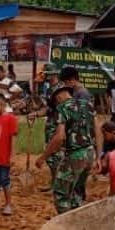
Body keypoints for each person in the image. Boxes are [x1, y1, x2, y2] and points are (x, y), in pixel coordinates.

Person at [35, 84, 95, 214]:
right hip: (90, 153)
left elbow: (59, 137)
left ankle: (66, 223)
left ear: (59, 96)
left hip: (75, 155)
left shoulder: (63, 108)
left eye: (56, 101)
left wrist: (43, 157)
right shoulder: (87, 105)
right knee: (77, 191)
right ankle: (78, 217)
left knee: (61, 192)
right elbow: (98, 129)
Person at [36, 62, 62, 192]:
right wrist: (36, 114)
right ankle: (53, 183)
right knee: (51, 157)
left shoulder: (60, 89)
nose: (47, 76)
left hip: (59, 126)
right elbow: (47, 108)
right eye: (46, 74)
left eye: (49, 74)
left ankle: (57, 185)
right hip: (50, 124)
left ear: (55, 74)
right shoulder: (49, 89)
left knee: (56, 155)